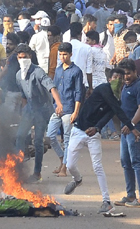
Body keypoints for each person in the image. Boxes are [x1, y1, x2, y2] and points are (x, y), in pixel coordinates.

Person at [64, 68, 140, 213]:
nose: (118, 81)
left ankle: (106, 201)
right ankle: (77, 179)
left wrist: (97, 128)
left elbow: (109, 115)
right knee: (70, 165)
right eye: (115, 77)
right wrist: (132, 128)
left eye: (121, 78)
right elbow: (118, 110)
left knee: (97, 166)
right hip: (78, 130)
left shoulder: (116, 99)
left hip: (93, 134)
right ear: (109, 79)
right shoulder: (104, 89)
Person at [15, 44, 63, 183]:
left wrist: (59, 104)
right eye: (20, 57)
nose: (22, 59)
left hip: (42, 110)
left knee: (38, 141)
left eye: (25, 57)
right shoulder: (18, 75)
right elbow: (23, 95)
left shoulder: (38, 72)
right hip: (29, 109)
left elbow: (51, 87)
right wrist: (24, 112)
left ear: (30, 56)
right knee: (19, 136)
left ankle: (37, 173)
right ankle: (18, 169)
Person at [115, 58, 140, 208]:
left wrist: (132, 125)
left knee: (137, 162)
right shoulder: (124, 85)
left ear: (135, 72)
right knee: (126, 162)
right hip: (126, 130)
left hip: (137, 130)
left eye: (128, 74)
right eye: (123, 74)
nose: (126, 77)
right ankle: (130, 195)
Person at [47, 42, 84, 177]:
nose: (62, 57)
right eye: (60, 54)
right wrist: (55, 104)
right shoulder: (58, 70)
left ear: (70, 54)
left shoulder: (76, 71)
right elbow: (54, 89)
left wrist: (76, 111)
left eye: (65, 54)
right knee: (50, 136)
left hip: (69, 109)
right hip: (58, 108)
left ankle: (64, 168)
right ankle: (62, 159)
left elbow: (79, 93)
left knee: (67, 139)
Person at [68, 22, 93, 93]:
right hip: (81, 84)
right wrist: (90, 87)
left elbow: (58, 67)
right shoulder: (87, 48)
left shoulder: (63, 48)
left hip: (66, 83)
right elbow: (89, 70)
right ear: (81, 34)